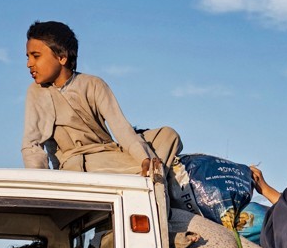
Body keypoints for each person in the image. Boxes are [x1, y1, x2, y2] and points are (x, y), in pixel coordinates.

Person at [21, 20, 181, 177]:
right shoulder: (37, 92)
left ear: (62, 57)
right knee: (154, 162)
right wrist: (42, 184)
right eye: (28, 57)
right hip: (79, 165)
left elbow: (121, 128)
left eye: (36, 56)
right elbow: (32, 144)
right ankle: (151, 175)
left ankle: (148, 170)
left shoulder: (93, 84)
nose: (29, 63)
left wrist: (144, 157)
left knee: (168, 135)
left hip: (110, 155)